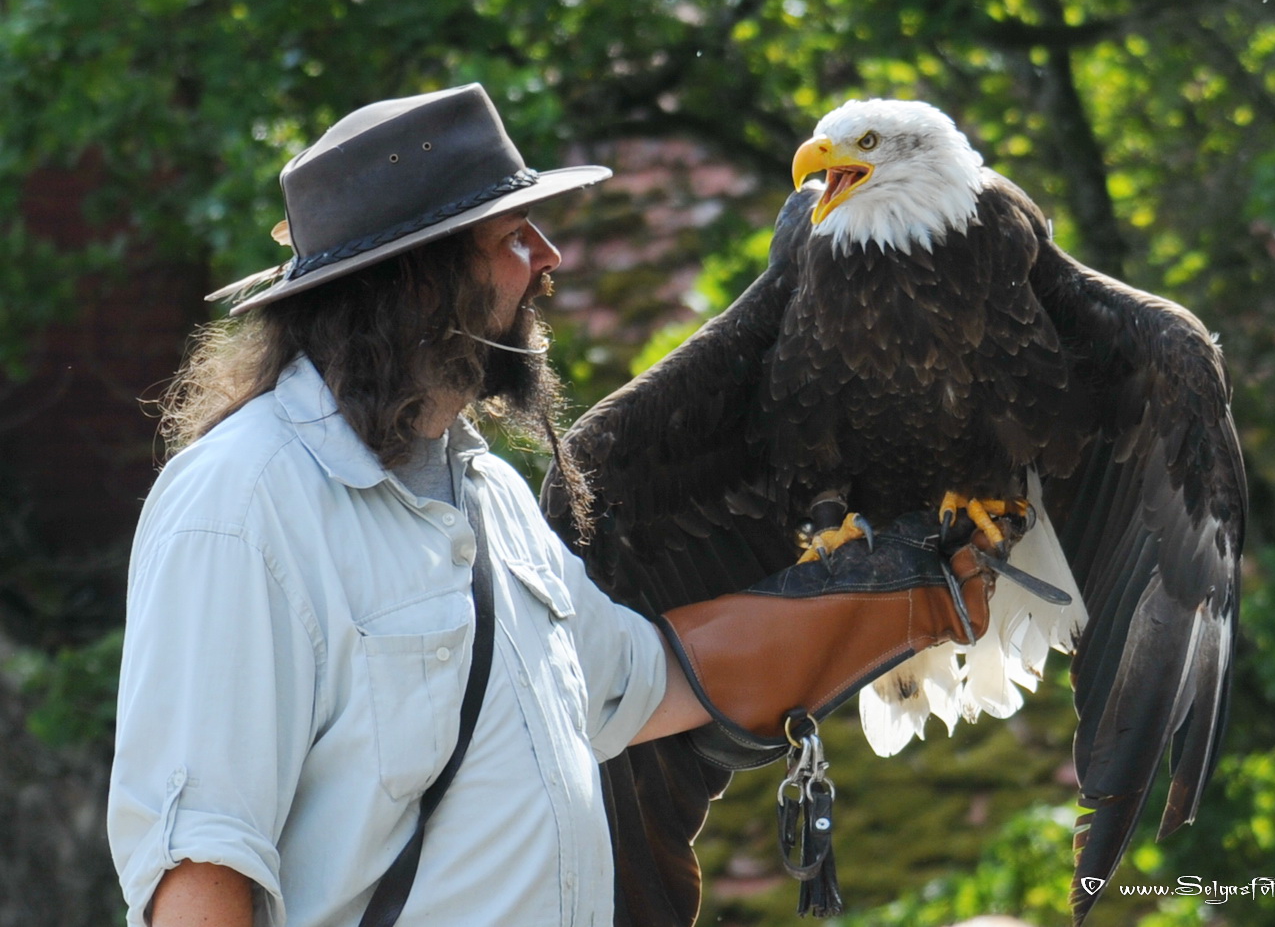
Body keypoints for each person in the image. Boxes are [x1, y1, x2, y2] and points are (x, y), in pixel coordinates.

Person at [107, 84, 996, 927]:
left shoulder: (486, 494)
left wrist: (905, 603)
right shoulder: (245, 501)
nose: (550, 258)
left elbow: (646, 683)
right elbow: (200, 864)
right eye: (515, 235)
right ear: (420, 278)